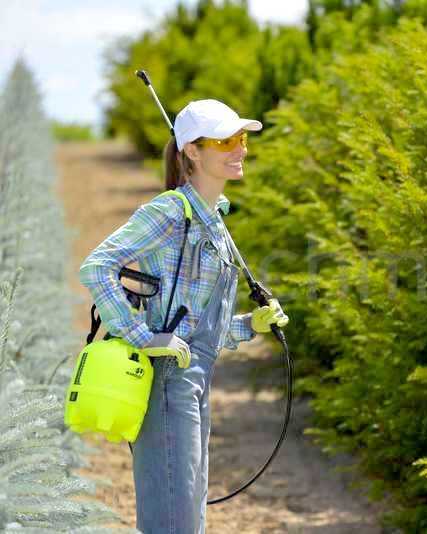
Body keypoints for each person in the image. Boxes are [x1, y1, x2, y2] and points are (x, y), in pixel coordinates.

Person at [79, 99, 289, 534]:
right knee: (172, 525)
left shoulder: (214, 219)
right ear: (192, 152)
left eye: (242, 138)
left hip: (194, 382)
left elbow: (194, 331)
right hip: (167, 385)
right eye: (226, 140)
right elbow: (97, 266)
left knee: (188, 521)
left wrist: (251, 325)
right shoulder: (171, 212)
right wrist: (142, 336)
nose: (241, 149)